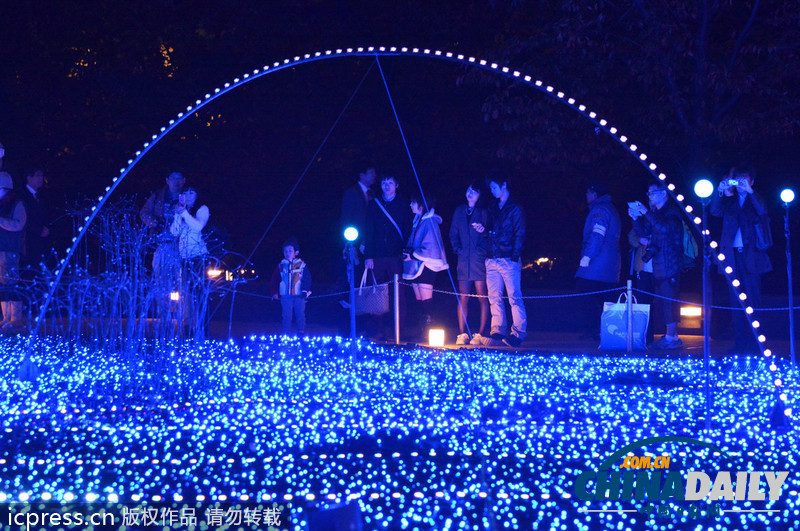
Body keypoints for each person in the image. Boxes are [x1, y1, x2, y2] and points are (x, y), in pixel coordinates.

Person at [710, 166, 772, 353]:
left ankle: (757, 344)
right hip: (732, 257)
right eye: (737, 181)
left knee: (754, 300)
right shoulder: (731, 202)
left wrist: (750, 192)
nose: (740, 185)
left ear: (751, 182)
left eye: (744, 180)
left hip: (751, 256)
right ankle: (740, 343)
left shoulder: (756, 200)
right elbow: (715, 211)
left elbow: (763, 210)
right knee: (736, 301)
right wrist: (720, 190)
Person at [473, 171, 527, 348]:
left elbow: (520, 232)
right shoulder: (494, 207)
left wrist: (514, 256)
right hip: (493, 258)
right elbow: (491, 230)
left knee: (514, 297)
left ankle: (518, 332)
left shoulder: (515, 208)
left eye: (495, 187)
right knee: (494, 296)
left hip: (508, 258)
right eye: (491, 188)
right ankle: (498, 329)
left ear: (504, 185)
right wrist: (483, 230)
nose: (493, 191)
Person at [629, 182, 684, 349]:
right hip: (656, 263)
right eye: (648, 193)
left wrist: (645, 212)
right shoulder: (654, 212)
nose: (649, 196)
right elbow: (644, 232)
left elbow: (665, 229)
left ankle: (671, 338)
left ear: (663, 193)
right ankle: (671, 337)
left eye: (652, 193)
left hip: (669, 263)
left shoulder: (672, 211)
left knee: (669, 300)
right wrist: (635, 218)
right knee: (662, 301)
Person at [363, 174, 412, 339]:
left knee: (399, 293)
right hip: (377, 255)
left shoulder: (403, 205)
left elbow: (407, 230)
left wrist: (407, 250)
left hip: (396, 255)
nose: (387, 185)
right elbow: (368, 231)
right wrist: (368, 256)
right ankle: (378, 330)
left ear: (396, 185)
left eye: (390, 182)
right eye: (384, 182)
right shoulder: (373, 204)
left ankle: (400, 330)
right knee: (377, 292)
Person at [575, 182, 621, 340]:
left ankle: (594, 331)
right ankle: (605, 332)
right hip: (610, 266)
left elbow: (597, 233)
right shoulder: (610, 208)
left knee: (587, 296)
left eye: (588, 192)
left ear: (595, 194)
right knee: (605, 299)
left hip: (596, 265)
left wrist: (587, 256)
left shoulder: (600, 210)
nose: (586, 195)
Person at [449, 180, 490, 345]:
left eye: (474, 191)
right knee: (463, 297)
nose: (470, 193)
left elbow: (489, 234)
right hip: (463, 259)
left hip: (478, 260)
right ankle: (462, 333)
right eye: (468, 190)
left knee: (482, 296)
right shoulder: (459, 211)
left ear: (480, 195)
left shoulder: (484, 212)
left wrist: (482, 245)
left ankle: (480, 333)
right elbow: (453, 233)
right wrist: (457, 249)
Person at [402, 194, 449, 337]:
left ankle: (429, 330)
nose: (410, 205)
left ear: (421, 205)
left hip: (427, 266)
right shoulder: (419, 221)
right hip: (417, 264)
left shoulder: (429, 222)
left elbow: (430, 245)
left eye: (413, 202)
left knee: (426, 299)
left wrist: (413, 254)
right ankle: (421, 329)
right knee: (419, 299)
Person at [170, 187, 209, 338]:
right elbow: (174, 232)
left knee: (199, 296)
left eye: (191, 192)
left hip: (199, 258)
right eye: (185, 193)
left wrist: (184, 213)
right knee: (187, 296)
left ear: (198, 195)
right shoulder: (182, 210)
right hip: (184, 259)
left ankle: (203, 332)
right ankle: (189, 331)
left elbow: (198, 226)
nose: (187, 195)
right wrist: (178, 214)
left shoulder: (202, 209)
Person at [141, 171, 186, 277]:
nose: (176, 181)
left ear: (184, 181)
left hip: (180, 244)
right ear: (167, 180)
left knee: (179, 276)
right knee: (160, 274)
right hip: (160, 242)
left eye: (179, 178)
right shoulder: (157, 196)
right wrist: (154, 223)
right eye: (173, 178)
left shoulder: (187, 196)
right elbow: (144, 212)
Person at [0, 172, 27, 331]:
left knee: (11, 283)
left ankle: (16, 318)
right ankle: (6, 317)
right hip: (1, 248)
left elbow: (18, 225)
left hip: (10, 249)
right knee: (2, 284)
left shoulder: (17, 204)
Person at [270, 238, 312, 335]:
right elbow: (275, 280)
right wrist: (274, 292)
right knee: (286, 315)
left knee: (300, 314)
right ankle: (286, 333)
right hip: (285, 296)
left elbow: (307, 278)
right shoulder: (281, 265)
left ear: (296, 252)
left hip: (299, 295)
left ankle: (301, 332)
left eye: (290, 251)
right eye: (285, 251)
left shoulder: (302, 265)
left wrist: (305, 291)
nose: (287, 253)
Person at [340, 166, 376, 257]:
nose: (374, 175)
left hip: (370, 236)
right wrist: (348, 241)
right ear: (362, 175)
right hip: (356, 236)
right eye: (371, 173)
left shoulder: (372, 193)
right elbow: (346, 218)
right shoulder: (352, 192)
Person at [19, 169, 51, 270]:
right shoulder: (22, 196)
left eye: (42, 176)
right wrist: (38, 229)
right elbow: (22, 218)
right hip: (28, 241)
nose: (41, 179)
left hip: (39, 241)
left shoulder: (39, 196)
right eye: (38, 176)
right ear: (29, 177)